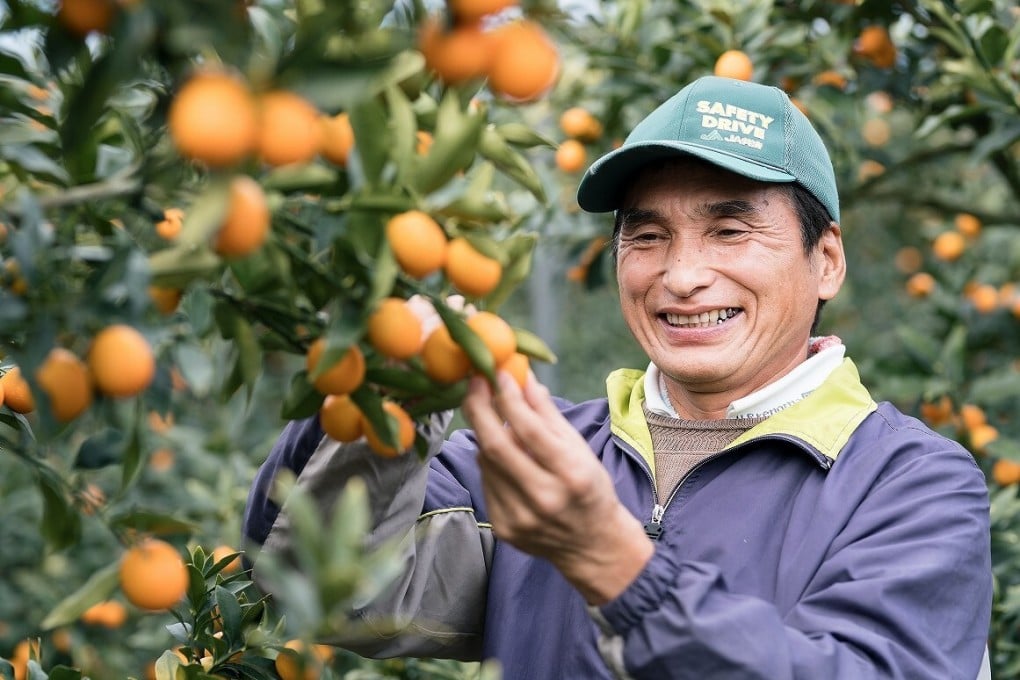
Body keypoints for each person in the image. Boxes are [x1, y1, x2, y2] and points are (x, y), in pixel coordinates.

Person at [242, 76, 992, 679]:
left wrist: (614, 564)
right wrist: (384, 395)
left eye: (730, 229)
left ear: (826, 258)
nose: (682, 275)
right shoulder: (538, 459)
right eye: (648, 235)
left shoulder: (906, 483)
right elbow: (326, 588)